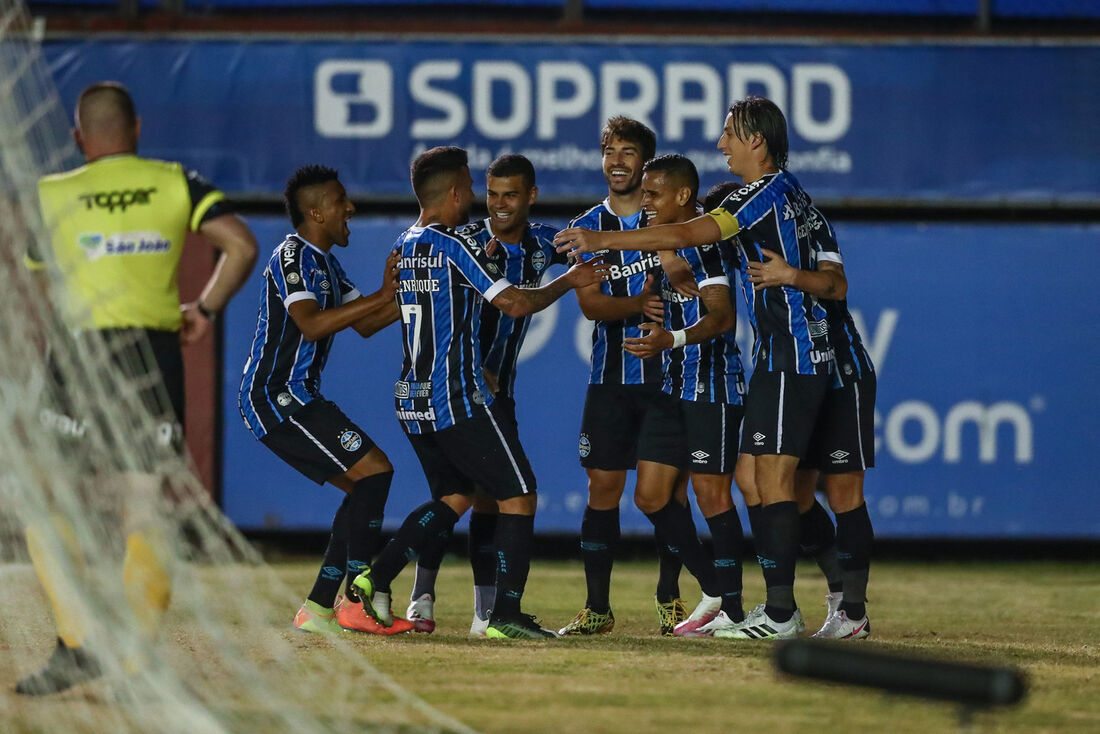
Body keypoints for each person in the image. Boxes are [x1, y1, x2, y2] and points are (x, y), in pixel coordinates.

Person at [555, 96, 846, 640]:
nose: (721, 144)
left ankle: (775, 610)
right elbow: (831, 277)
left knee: (768, 485)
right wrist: (664, 258)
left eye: (730, 134)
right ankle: (764, 599)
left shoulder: (759, 196)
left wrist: (610, 243)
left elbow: (707, 274)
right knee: (730, 487)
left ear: (755, 140)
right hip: (752, 365)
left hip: (764, 367)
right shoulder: (790, 199)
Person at [17, 81, 258, 695]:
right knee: (145, 501)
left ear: (78, 138)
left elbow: (38, 278)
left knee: (49, 496)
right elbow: (241, 244)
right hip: (151, 353)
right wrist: (204, 307)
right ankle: (133, 664)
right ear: (138, 129)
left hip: (77, 353)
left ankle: (75, 643)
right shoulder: (175, 181)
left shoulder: (52, 193)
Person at [350, 146, 609, 640]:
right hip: (459, 396)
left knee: (454, 496)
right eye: (474, 189)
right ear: (453, 193)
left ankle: (375, 578)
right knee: (520, 493)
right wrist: (569, 280)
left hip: (413, 397)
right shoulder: (457, 243)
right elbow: (512, 302)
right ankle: (502, 616)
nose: (480, 200)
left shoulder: (406, 243)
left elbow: (378, 318)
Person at [238, 164, 412, 636]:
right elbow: (312, 324)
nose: (350, 208)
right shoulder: (291, 255)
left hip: (299, 397)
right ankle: (356, 598)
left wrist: (427, 294)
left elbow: (369, 321)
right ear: (316, 211)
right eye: (340, 201)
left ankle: (318, 610)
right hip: (275, 398)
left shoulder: (327, 264)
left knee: (365, 484)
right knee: (374, 472)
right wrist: (381, 294)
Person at [405, 154, 569, 636]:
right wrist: (471, 367)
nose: (497, 206)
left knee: (484, 501)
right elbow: (440, 308)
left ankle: (484, 612)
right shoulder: (464, 243)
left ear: (531, 197)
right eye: (491, 194)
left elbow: (596, 251)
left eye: (510, 195)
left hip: (501, 394)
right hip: (462, 391)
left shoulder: (543, 242)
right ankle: (423, 595)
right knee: (456, 496)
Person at [558, 117, 690, 638]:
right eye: (609, 151)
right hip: (610, 380)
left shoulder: (673, 223)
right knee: (602, 488)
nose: (616, 161)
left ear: (646, 163)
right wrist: (637, 303)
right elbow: (590, 305)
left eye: (628, 152)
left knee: (669, 496)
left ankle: (670, 599)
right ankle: (597, 608)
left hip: (668, 377)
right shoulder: (588, 226)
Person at [623, 155, 750, 637]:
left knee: (711, 493)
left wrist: (669, 339)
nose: (645, 202)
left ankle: (733, 609)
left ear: (682, 196)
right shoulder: (661, 240)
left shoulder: (710, 246)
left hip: (711, 385)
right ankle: (716, 587)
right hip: (672, 385)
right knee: (650, 496)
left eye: (653, 194)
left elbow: (722, 318)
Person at [741, 206, 876, 639]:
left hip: (840, 371)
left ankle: (852, 613)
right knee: (781, 487)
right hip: (798, 377)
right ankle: (833, 589)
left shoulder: (803, 224)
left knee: (843, 490)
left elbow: (835, 285)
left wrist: (791, 275)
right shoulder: (761, 234)